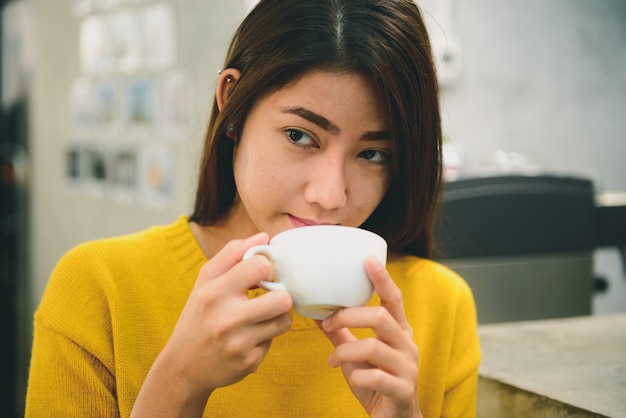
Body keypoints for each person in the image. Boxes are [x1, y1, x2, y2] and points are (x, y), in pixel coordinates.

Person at [25, 0, 480, 416]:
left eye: (372, 154)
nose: (330, 195)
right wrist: (178, 383)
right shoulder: (99, 289)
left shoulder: (440, 307)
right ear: (233, 106)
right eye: (300, 136)